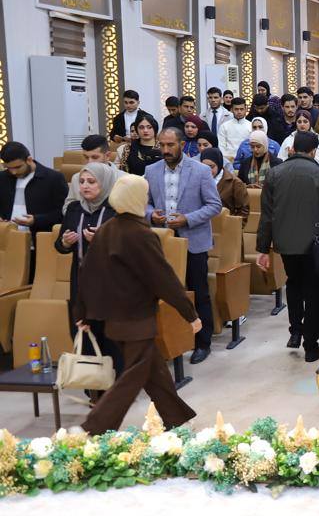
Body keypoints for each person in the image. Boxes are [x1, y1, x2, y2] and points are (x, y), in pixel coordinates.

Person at [74, 175, 202, 434]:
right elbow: (163, 279)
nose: (146, 199)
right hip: (136, 319)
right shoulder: (141, 234)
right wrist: (190, 314)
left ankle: (178, 420)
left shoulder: (107, 229)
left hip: (114, 319)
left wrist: (83, 313)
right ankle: (92, 428)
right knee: (133, 377)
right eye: (143, 194)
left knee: (154, 373)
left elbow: (87, 273)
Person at [144, 127, 223, 364]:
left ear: (181, 145)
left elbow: (214, 205)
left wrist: (187, 219)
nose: (165, 150)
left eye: (170, 145)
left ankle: (202, 342)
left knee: (198, 292)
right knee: (164, 293)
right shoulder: (151, 170)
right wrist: (151, 215)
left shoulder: (200, 171)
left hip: (193, 240)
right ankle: (169, 341)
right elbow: (145, 203)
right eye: (162, 145)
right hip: (163, 241)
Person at [255, 130, 319, 362]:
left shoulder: (274, 173)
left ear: (292, 148)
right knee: (314, 291)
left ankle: (295, 331)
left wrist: (263, 248)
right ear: (314, 151)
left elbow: (266, 215)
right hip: (314, 244)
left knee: (293, 284)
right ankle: (311, 345)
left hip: (285, 243)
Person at [55, 162, 118, 337]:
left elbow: (127, 248)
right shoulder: (74, 209)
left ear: (105, 183)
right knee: (83, 333)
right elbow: (59, 245)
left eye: (91, 181)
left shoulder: (116, 210)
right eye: (81, 181)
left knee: (110, 336)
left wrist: (102, 241)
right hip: (80, 279)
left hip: (110, 281)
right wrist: (65, 243)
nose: (84, 186)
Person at [0, 142, 69, 232]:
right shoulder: (2, 177)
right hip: (7, 235)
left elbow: (64, 212)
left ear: (29, 160)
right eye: (9, 168)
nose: (13, 172)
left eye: (18, 167)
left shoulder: (54, 178)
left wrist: (36, 220)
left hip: (40, 235)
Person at [200, 149, 249, 220]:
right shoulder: (197, 179)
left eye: (211, 167)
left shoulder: (235, 183)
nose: (207, 170)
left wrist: (232, 225)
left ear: (219, 164)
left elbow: (243, 211)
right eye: (203, 166)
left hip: (224, 224)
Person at [216, 97, 252, 164]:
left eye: (241, 109)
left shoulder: (251, 126)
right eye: (236, 109)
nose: (239, 112)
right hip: (228, 161)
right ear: (232, 110)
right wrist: (227, 160)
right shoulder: (224, 126)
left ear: (246, 109)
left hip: (247, 161)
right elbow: (221, 146)